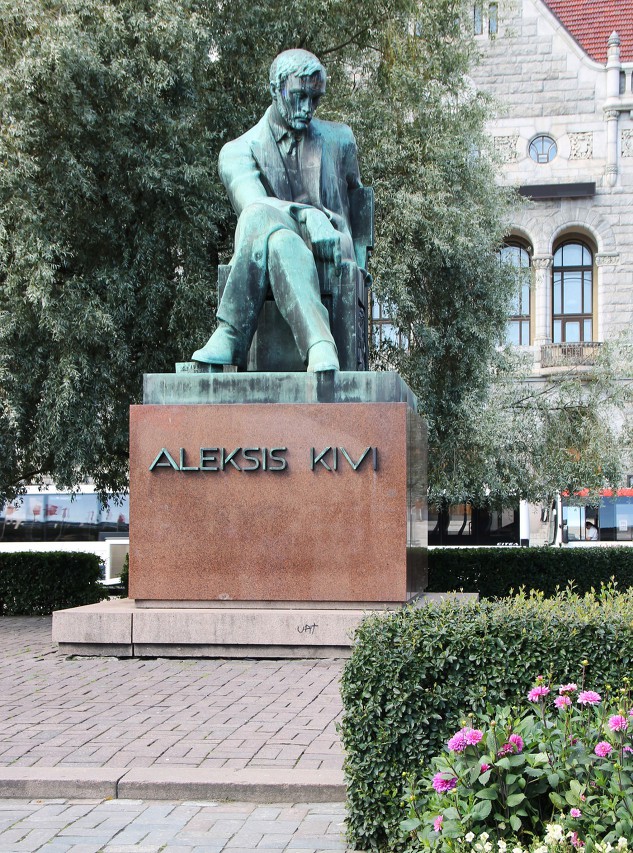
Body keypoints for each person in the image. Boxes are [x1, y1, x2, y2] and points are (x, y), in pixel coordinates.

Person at [191, 48, 363, 372]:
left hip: (330, 249)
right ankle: (320, 343)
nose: (307, 108)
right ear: (275, 89)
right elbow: (252, 207)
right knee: (278, 239)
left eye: (315, 98)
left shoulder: (340, 139)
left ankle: (230, 332)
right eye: (298, 96)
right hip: (273, 246)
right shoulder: (238, 152)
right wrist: (307, 214)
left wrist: (358, 256)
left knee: (266, 227)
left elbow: (358, 201)